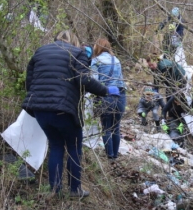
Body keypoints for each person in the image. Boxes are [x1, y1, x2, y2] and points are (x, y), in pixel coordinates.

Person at [22, 30, 111, 198]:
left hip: (40, 108)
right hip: (64, 109)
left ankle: (54, 189)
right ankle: (74, 189)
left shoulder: (40, 51)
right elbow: (83, 80)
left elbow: (30, 81)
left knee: (55, 145)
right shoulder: (78, 53)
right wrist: (105, 91)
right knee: (73, 147)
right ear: (75, 41)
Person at [91, 38, 127, 160]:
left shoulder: (96, 61)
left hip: (106, 95)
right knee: (116, 127)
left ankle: (110, 157)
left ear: (97, 47)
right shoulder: (116, 60)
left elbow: (94, 81)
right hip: (121, 94)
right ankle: (115, 156)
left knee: (106, 127)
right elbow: (121, 80)